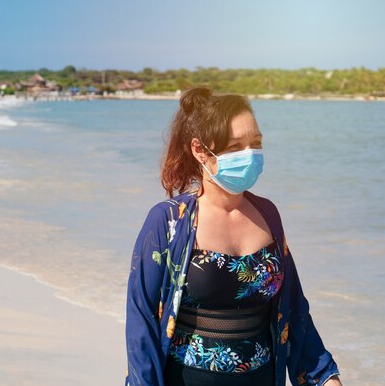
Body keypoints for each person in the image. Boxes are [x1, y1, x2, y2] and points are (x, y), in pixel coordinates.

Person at [124, 87, 342, 386]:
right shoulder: (169, 221)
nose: (249, 155)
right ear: (200, 150)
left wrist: (323, 376)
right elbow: (142, 321)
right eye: (235, 147)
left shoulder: (268, 214)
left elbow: (293, 308)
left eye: (256, 143)